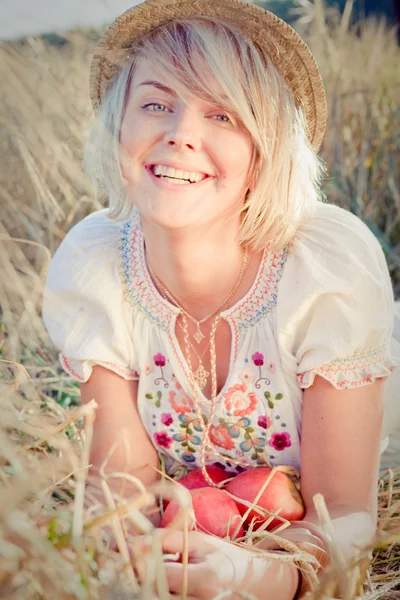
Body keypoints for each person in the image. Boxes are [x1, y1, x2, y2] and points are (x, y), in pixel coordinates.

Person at [42, 0, 400, 598]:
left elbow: (345, 513)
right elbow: (124, 488)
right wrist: (139, 560)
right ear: (118, 127)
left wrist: (258, 575)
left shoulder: (324, 268)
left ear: (267, 152)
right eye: (156, 103)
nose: (181, 133)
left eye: (224, 115)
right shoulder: (96, 265)